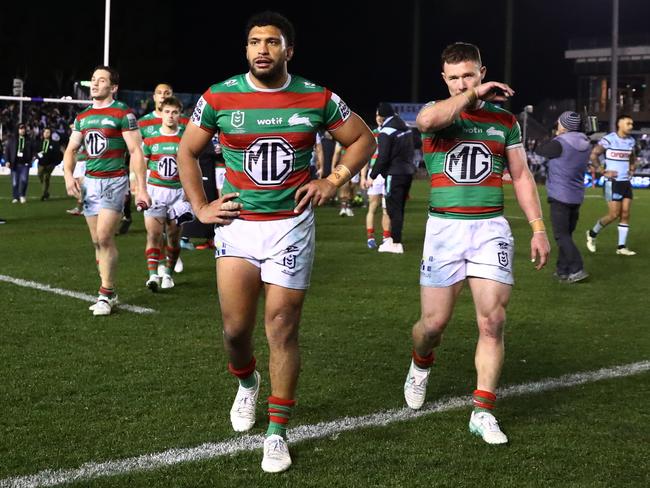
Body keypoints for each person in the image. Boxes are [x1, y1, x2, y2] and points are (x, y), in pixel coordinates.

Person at [177, 11, 375, 473]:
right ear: (245, 49)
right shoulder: (219, 96)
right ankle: (247, 383)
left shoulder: (316, 95)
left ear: (289, 49)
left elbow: (363, 138)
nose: (261, 49)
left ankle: (277, 431)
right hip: (238, 225)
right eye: (253, 42)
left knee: (281, 326)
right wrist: (202, 208)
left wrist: (334, 179)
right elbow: (188, 150)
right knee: (235, 331)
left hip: (291, 225)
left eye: (271, 42)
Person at [403, 42, 550, 445]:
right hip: (444, 230)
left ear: (483, 71)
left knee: (493, 321)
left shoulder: (505, 121)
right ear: (445, 79)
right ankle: (421, 362)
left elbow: (520, 176)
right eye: (454, 78)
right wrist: (469, 97)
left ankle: (482, 410)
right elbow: (426, 120)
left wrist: (538, 227)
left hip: (489, 229)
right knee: (432, 326)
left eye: (469, 75)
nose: (462, 83)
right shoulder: (440, 112)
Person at [63, 65, 151, 316]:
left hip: (114, 180)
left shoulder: (123, 112)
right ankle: (109, 292)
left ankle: (105, 293)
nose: (95, 84)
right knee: (96, 241)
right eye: (93, 80)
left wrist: (141, 188)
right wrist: (69, 175)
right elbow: (71, 150)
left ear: (113, 87)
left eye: (101, 80)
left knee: (103, 236)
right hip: (90, 182)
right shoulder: (82, 117)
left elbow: (135, 151)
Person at [142, 96, 193, 291]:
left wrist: (190, 192)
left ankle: (168, 275)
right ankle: (153, 275)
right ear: (161, 113)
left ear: (180, 114)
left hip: (178, 193)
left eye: (174, 112)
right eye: (167, 112)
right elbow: (141, 164)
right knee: (153, 235)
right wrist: (139, 187)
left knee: (173, 236)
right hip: (155, 192)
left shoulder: (186, 138)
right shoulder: (151, 137)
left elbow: (192, 166)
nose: (170, 116)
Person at [536, 111, 590, 283]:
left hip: (560, 195)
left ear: (563, 125)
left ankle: (577, 267)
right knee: (567, 235)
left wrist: (555, 135)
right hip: (576, 195)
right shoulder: (585, 142)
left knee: (561, 235)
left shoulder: (559, 143)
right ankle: (562, 270)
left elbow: (540, 149)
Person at [586, 114, 637, 256]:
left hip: (625, 182)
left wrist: (632, 167)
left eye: (632, 124)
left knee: (626, 214)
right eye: (628, 123)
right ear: (619, 124)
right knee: (614, 214)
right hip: (612, 183)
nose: (631, 126)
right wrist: (603, 171)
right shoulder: (609, 139)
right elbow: (593, 155)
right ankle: (592, 233)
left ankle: (621, 247)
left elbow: (632, 157)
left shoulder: (631, 141)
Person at [370, 102, 415, 254]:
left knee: (392, 209)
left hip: (394, 174)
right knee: (399, 208)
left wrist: (372, 176)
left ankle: (395, 243)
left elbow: (382, 157)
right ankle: (395, 240)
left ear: (381, 115)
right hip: (408, 172)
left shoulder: (386, 131)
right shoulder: (405, 127)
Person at [360, 125, 391, 249]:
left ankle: (386, 237)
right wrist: (363, 177)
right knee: (373, 206)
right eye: (378, 115)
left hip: (387, 173)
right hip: (374, 173)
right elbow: (365, 158)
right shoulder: (372, 134)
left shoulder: (390, 133)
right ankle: (370, 237)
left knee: (386, 208)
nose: (379, 118)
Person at [4, 123, 34, 203]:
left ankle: (22, 195)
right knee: (15, 182)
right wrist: (7, 161)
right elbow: (7, 151)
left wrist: (33, 157)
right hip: (14, 164)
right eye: (21, 128)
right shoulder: (12, 140)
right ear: (18, 130)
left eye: (24, 128)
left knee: (24, 180)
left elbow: (33, 150)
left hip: (25, 164)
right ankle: (15, 197)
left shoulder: (29, 140)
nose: (22, 130)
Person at [36, 127, 62, 201]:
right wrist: (37, 156)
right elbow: (36, 151)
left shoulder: (54, 143)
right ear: (43, 133)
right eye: (45, 132)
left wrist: (56, 163)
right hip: (41, 163)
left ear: (50, 134)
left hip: (50, 164)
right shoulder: (39, 142)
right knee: (40, 175)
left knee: (46, 178)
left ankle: (44, 194)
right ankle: (46, 192)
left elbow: (58, 154)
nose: (46, 134)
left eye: (48, 132)